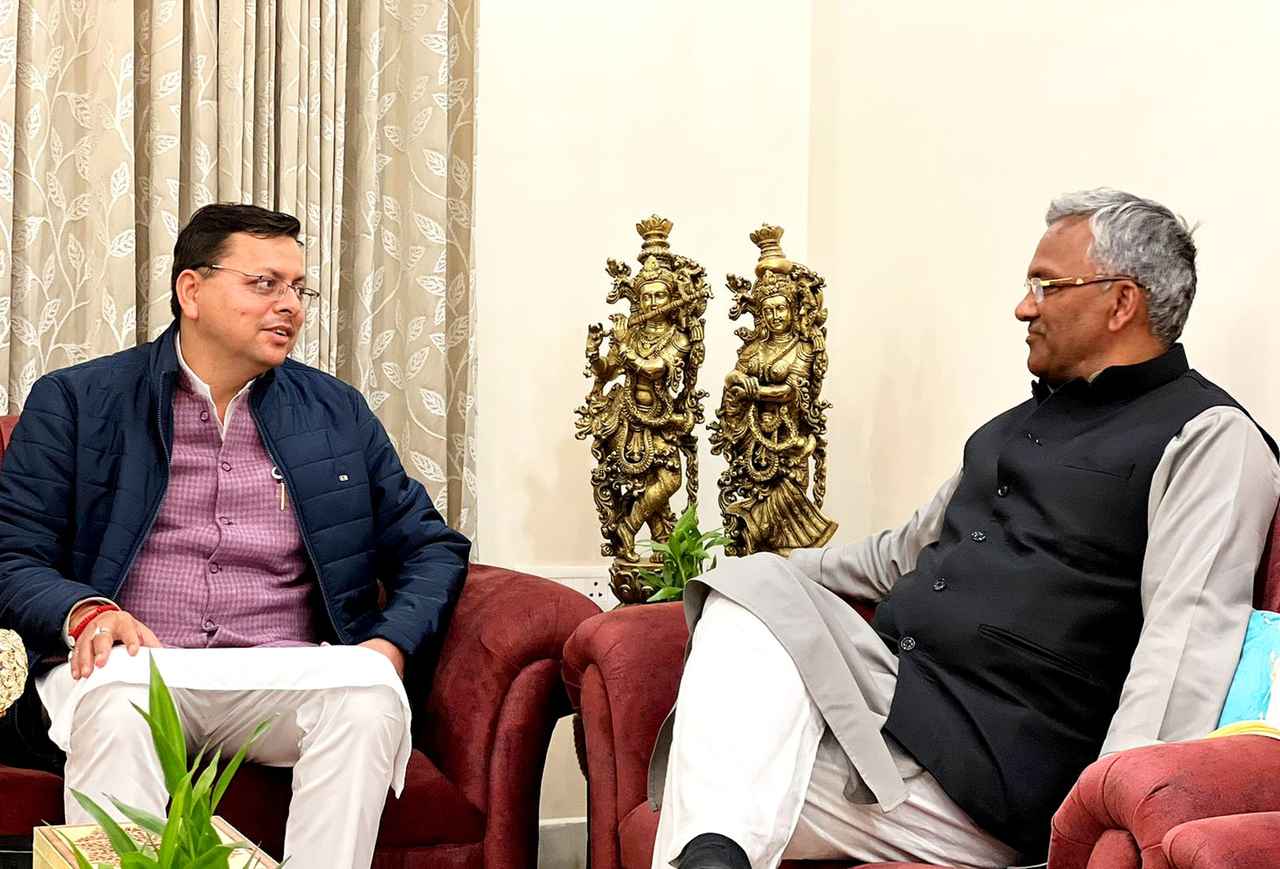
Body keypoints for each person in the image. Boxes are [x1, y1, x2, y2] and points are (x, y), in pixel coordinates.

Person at [650, 189, 1280, 869]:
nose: (1024, 307)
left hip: (994, 773)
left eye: (1046, 285)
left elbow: (1182, 647)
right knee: (747, 593)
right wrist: (754, 580)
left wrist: (1101, 821)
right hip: (895, 706)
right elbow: (898, 556)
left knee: (714, 781)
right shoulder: (1009, 428)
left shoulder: (1209, 436)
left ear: (1121, 302)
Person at [0, 203, 471, 869]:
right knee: (116, 691)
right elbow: (12, 553)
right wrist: (86, 611)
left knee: (367, 690)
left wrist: (389, 644)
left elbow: (430, 545)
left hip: (277, 669)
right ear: (191, 291)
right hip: (137, 663)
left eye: (298, 288)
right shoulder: (78, 401)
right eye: (264, 284)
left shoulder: (334, 413)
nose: (290, 306)